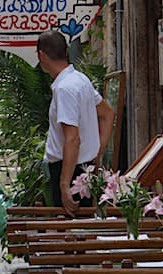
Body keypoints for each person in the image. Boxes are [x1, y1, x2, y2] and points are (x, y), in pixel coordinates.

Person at [36, 30, 116, 217]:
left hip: (68, 170)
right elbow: (107, 113)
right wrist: (97, 151)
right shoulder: (81, 80)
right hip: (83, 167)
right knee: (81, 229)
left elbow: (72, 139)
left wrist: (64, 184)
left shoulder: (65, 88)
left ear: (42, 55)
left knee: (69, 232)